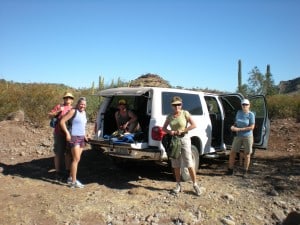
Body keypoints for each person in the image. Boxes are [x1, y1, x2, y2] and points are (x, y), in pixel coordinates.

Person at [162, 96, 202, 196]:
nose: (177, 107)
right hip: (174, 140)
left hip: (184, 139)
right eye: (175, 105)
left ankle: (195, 184)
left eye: (179, 104)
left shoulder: (185, 113)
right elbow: (164, 128)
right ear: (172, 106)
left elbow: (194, 125)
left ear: (181, 104)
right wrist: (170, 131)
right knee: (176, 163)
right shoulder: (170, 116)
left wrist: (183, 130)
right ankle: (178, 185)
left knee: (189, 162)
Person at [60, 97, 88, 188]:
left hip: (81, 138)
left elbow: (83, 125)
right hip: (74, 137)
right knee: (75, 159)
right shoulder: (73, 111)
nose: (82, 106)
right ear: (77, 104)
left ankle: (70, 178)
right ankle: (74, 182)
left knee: (77, 159)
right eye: (81, 104)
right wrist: (67, 133)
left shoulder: (84, 113)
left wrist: (85, 135)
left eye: (84, 104)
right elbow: (62, 121)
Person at [48, 92, 74, 180]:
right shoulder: (59, 106)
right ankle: (58, 172)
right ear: (64, 98)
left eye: (70, 98)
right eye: (66, 98)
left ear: (72, 100)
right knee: (58, 153)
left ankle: (67, 170)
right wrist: (59, 111)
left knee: (68, 152)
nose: (68, 99)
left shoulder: (73, 108)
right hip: (59, 133)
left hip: (70, 133)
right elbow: (50, 115)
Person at [227, 99, 255, 178]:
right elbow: (236, 122)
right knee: (232, 152)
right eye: (243, 104)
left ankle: (245, 171)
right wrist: (233, 126)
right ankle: (230, 169)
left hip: (247, 136)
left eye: (246, 104)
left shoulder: (251, 114)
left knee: (247, 154)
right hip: (238, 136)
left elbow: (252, 127)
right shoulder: (239, 113)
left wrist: (239, 129)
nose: (244, 106)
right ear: (241, 105)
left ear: (249, 105)